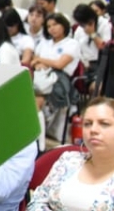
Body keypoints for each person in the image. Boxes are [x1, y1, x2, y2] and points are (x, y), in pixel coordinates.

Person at [33, 13, 82, 143]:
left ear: (64, 25)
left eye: (55, 24)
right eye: (48, 26)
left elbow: (60, 64)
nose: (52, 28)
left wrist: (42, 60)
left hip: (61, 78)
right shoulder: (44, 43)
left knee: (37, 99)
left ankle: (39, 141)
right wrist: (40, 63)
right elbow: (34, 62)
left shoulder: (72, 44)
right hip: (41, 75)